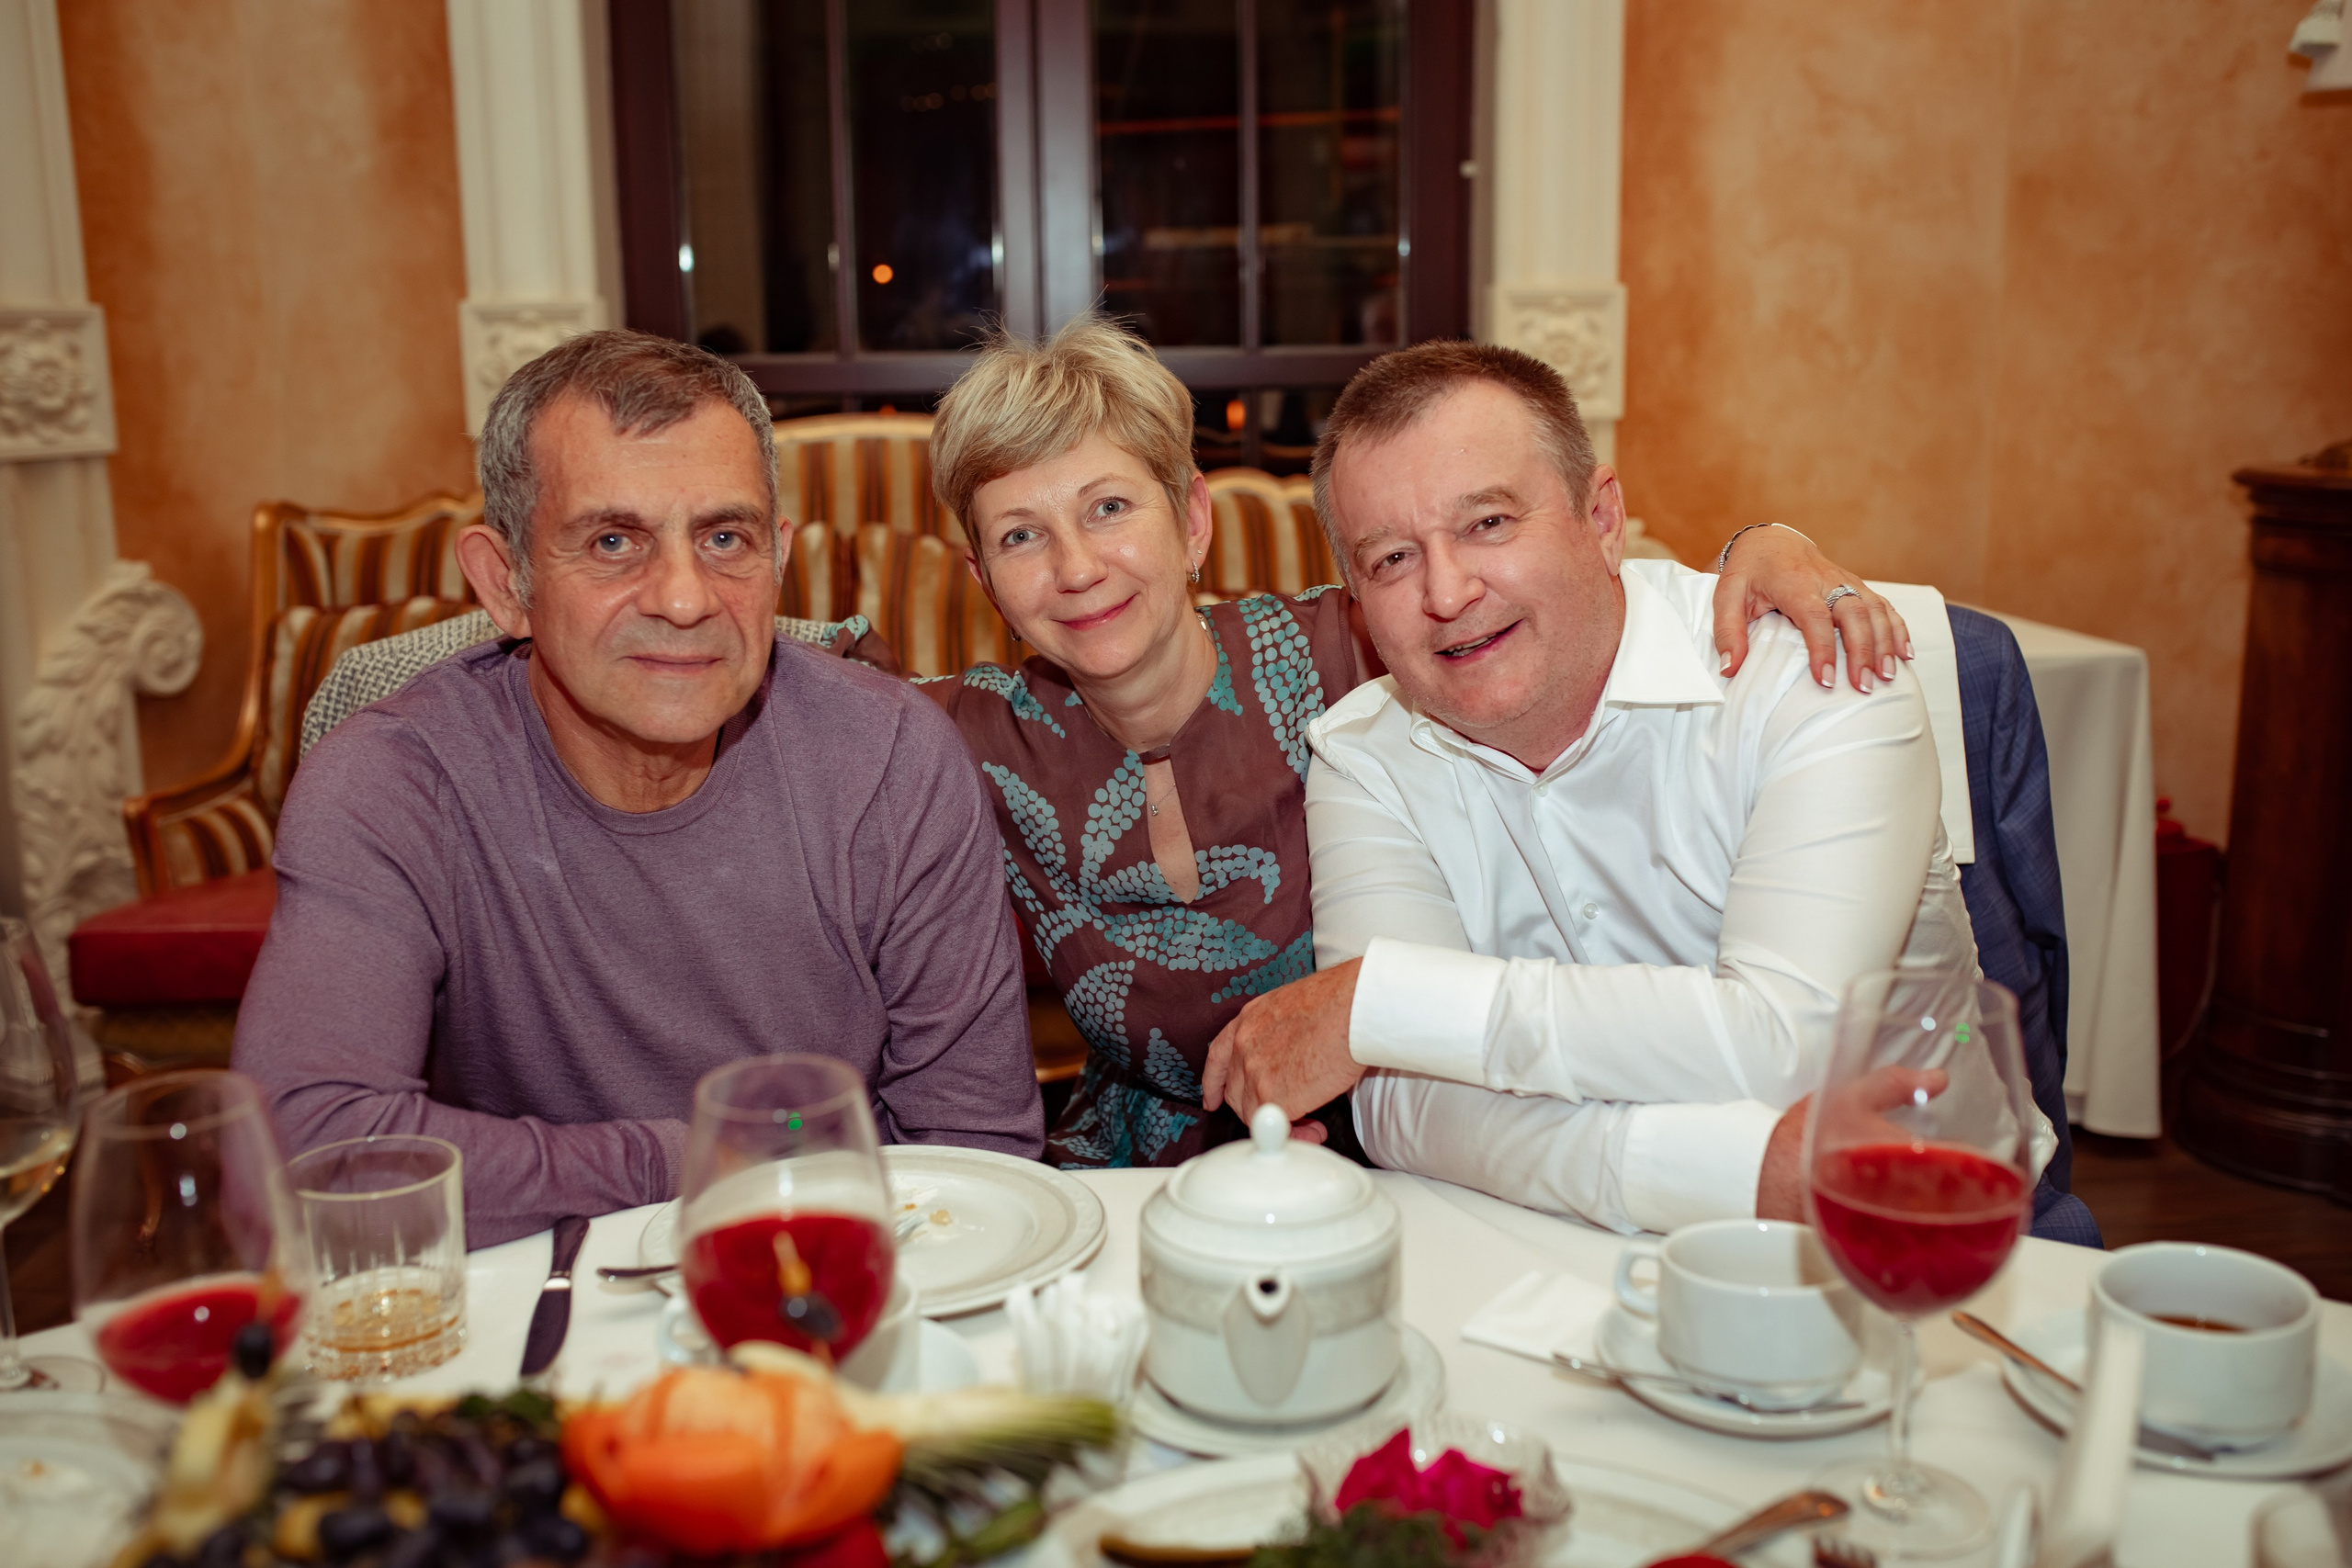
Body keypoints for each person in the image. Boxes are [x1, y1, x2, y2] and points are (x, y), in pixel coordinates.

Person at [921, 316, 1914, 1168]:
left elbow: (1548, 590)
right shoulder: (961, 739)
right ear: (981, 578)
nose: (1077, 567)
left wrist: (1754, 550)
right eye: (1020, 536)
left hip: (1398, 1161)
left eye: (1108, 508)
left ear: (1190, 522)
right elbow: (781, 663)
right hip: (1138, 1171)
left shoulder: (1348, 656)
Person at [1197, 340, 2054, 1233]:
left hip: (1917, 1216)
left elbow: (1787, 1047)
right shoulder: (1364, 755)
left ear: (1601, 517)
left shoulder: (1814, 674)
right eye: (1391, 560)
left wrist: (1382, 1006)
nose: (1446, 592)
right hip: (1558, 1240)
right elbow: (1403, 1110)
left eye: (1488, 523)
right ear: (1354, 600)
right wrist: (1737, 1173)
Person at [234, 331, 1041, 1246]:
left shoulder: (893, 762)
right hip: (536, 1314)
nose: (686, 599)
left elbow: (980, 1163)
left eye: (723, 537)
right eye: (614, 541)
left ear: (777, 557)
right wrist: (704, 1162)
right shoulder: (392, 786)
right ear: (506, 583)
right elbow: (295, 1166)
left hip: (828, 1287)